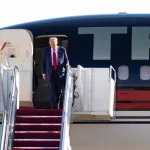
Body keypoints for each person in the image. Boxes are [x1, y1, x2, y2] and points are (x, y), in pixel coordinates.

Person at [41, 37, 69, 109]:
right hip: (50, 73)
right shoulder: (46, 50)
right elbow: (43, 62)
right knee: (52, 90)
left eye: (54, 43)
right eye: (51, 43)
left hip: (60, 73)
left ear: (57, 42)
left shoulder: (62, 50)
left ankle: (56, 106)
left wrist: (67, 66)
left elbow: (66, 61)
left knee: (59, 91)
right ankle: (54, 107)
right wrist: (43, 73)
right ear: (49, 43)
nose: (52, 45)